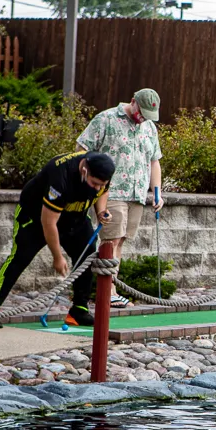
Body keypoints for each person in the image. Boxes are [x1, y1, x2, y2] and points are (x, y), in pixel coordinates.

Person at [0, 151, 114, 329]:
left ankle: (78, 310)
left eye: (101, 184)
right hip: (36, 217)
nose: (97, 188)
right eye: (94, 183)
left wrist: (100, 211)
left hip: (75, 217)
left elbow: (103, 192)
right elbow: (48, 222)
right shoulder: (60, 176)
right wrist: (57, 256)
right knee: (20, 258)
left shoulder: (102, 170)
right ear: (84, 171)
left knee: (87, 256)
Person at [75, 88, 163, 307]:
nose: (143, 118)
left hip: (137, 194)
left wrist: (157, 192)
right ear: (133, 102)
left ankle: (110, 288)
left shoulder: (149, 127)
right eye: (141, 112)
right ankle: (109, 292)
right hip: (110, 192)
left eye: (148, 116)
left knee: (120, 240)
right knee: (110, 240)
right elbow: (81, 149)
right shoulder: (105, 119)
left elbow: (154, 161)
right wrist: (86, 182)